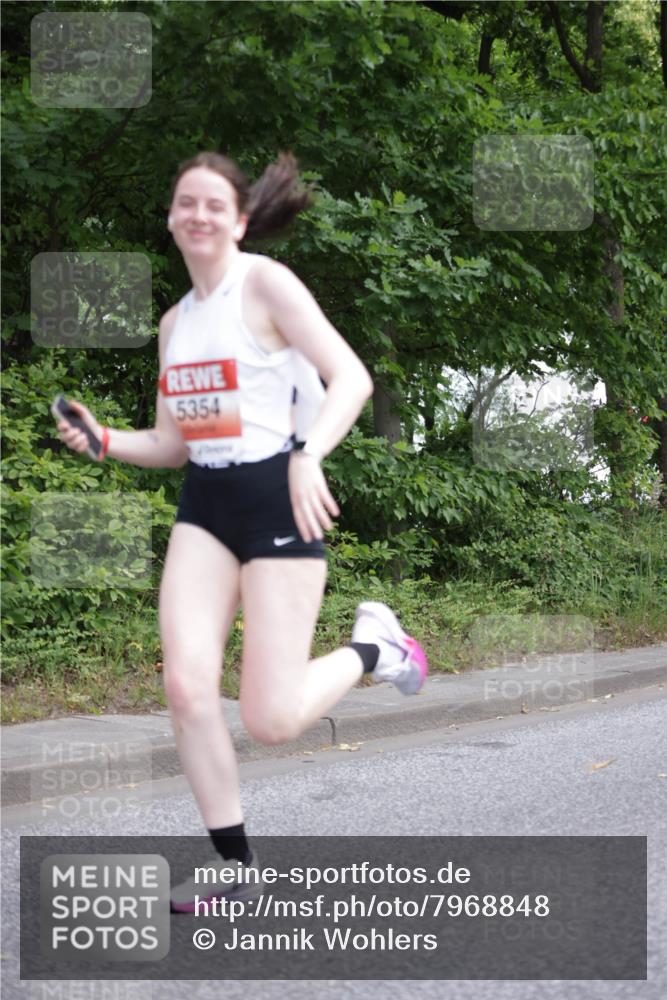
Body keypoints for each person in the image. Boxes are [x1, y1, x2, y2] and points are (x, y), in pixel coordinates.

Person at [54, 151, 428, 912]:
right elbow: (173, 444)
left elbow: (351, 378)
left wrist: (307, 453)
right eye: (185, 202)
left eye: (213, 204)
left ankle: (376, 647)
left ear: (239, 220)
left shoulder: (264, 285)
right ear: (171, 217)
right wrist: (105, 440)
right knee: (185, 686)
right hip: (207, 505)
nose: (198, 214)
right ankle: (233, 862)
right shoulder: (174, 325)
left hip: (277, 498)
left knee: (271, 720)